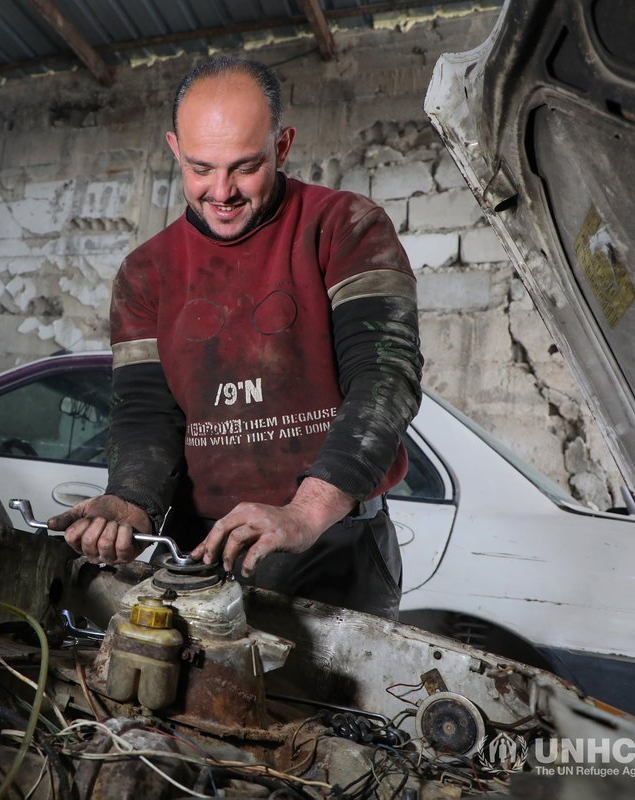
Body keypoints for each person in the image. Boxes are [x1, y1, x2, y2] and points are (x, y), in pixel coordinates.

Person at [46, 57, 423, 619]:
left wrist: (304, 512)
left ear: (283, 145)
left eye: (245, 168)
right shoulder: (145, 272)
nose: (221, 192)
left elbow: (384, 379)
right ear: (174, 148)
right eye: (201, 168)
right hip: (195, 552)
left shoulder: (346, 225)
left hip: (331, 546)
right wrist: (131, 501)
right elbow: (147, 413)